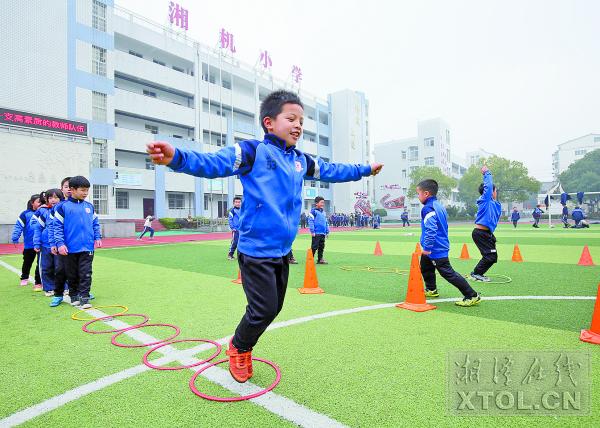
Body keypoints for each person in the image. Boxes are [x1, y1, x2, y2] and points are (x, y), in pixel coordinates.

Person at [146, 89, 383, 383]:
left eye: (301, 121)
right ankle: (239, 347)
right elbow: (212, 163)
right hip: (255, 248)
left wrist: (363, 170)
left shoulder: (300, 160)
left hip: (282, 250)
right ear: (269, 122)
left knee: (273, 307)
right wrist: (176, 158)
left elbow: (332, 170)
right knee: (265, 309)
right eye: (291, 118)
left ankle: (242, 341)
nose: (298, 125)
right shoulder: (252, 151)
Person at [417, 179, 481, 306]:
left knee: (448, 273)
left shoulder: (428, 208)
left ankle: (472, 295)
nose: (417, 197)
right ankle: (431, 289)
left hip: (436, 248)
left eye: (418, 194)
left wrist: (428, 247)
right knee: (425, 266)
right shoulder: (438, 205)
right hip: (437, 246)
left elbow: (431, 229)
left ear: (426, 194)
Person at [54, 176, 102, 309]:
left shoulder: (89, 206)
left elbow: (95, 224)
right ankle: (74, 296)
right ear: (72, 190)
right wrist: (60, 244)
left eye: (87, 190)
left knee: (86, 272)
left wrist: (97, 237)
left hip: (87, 247)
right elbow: (57, 227)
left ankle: (85, 298)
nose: (86, 193)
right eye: (83, 190)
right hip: (69, 248)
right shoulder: (62, 207)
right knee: (72, 274)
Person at [470, 165, 502, 282]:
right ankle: (476, 273)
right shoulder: (485, 201)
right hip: (480, 233)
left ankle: (478, 273)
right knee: (490, 256)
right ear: (490, 192)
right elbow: (488, 188)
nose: (496, 192)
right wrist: (486, 173)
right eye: (495, 190)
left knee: (493, 257)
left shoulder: (494, 203)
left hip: (487, 234)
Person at [32, 189, 64, 296]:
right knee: (46, 267)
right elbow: (38, 228)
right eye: (50, 198)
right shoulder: (43, 211)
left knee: (60, 268)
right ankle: (49, 288)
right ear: (46, 199)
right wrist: (36, 243)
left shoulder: (64, 210)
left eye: (56, 197)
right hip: (45, 245)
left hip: (60, 245)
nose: (53, 200)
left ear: (61, 199)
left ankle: (64, 287)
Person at [12, 194, 42, 287]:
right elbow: (18, 225)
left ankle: (39, 281)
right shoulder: (25, 214)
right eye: (38, 202)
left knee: (40, 264)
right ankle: (24, 277)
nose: (41, 203)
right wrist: (15, 237)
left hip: (41, 244)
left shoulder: (43, 212)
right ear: (32, 203)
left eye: (42, 201)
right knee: (27, 262)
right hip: (29, 245)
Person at [308, 196, 330, 264]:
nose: (323, 204)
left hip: (322, 233)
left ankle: (320, 259)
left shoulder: (323, 212)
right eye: (321, 202)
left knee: (321, 247)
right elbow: (310, 221)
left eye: (323, 202)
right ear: (316, 203)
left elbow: (326, 222)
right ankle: (310, 259)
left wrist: (327, 231)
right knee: (314, 247)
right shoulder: (313, 211)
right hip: (316, 233)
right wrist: (312, 231)